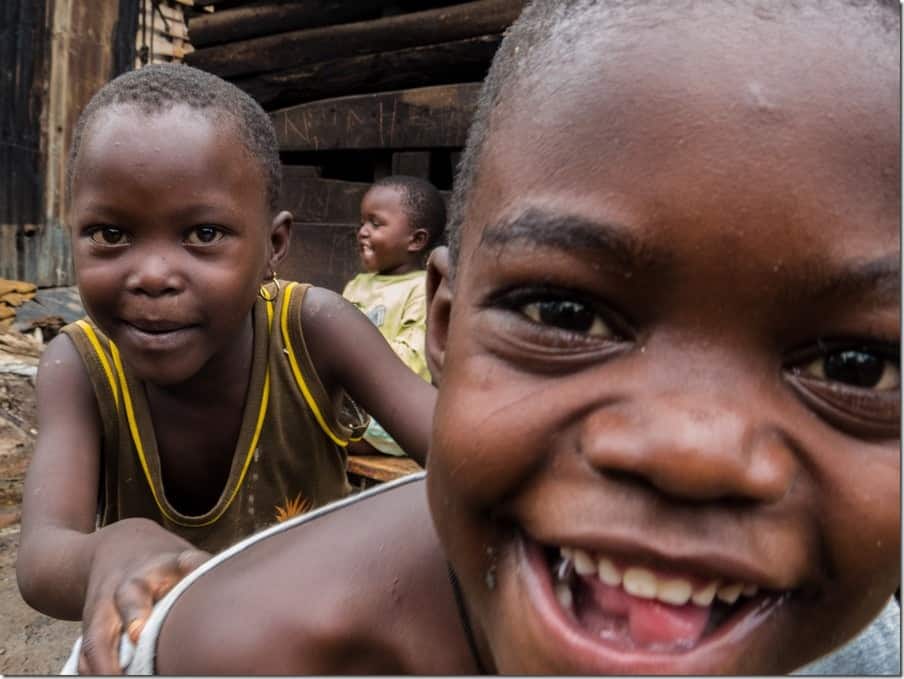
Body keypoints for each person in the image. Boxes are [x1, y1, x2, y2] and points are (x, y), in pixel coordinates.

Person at [70, 0, 901, 674]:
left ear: (275, 244)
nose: (692, 449)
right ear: (446, 326)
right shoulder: (221, 650)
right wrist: (119, 548)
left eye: (857, 367)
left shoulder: (857, 647)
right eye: (564, 315)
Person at [15, 63, 435, 671]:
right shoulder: (79, 366)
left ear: (274, 246)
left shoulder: (314, 328)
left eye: (203, 233)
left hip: (323, 632)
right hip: (172, 641)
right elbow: (41, 557)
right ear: (73, 235)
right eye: (110, 233)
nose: (153, 274)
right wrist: (115, 549)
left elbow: (463, 463)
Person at [342, 175, 446, 456]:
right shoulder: (358, 284)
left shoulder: (421, 289)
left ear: (416, 240)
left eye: (375, 224)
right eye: (362, 222)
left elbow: (414, 362)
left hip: (392, 408)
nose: (363, 231)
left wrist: (347, 365)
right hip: (352, 399)